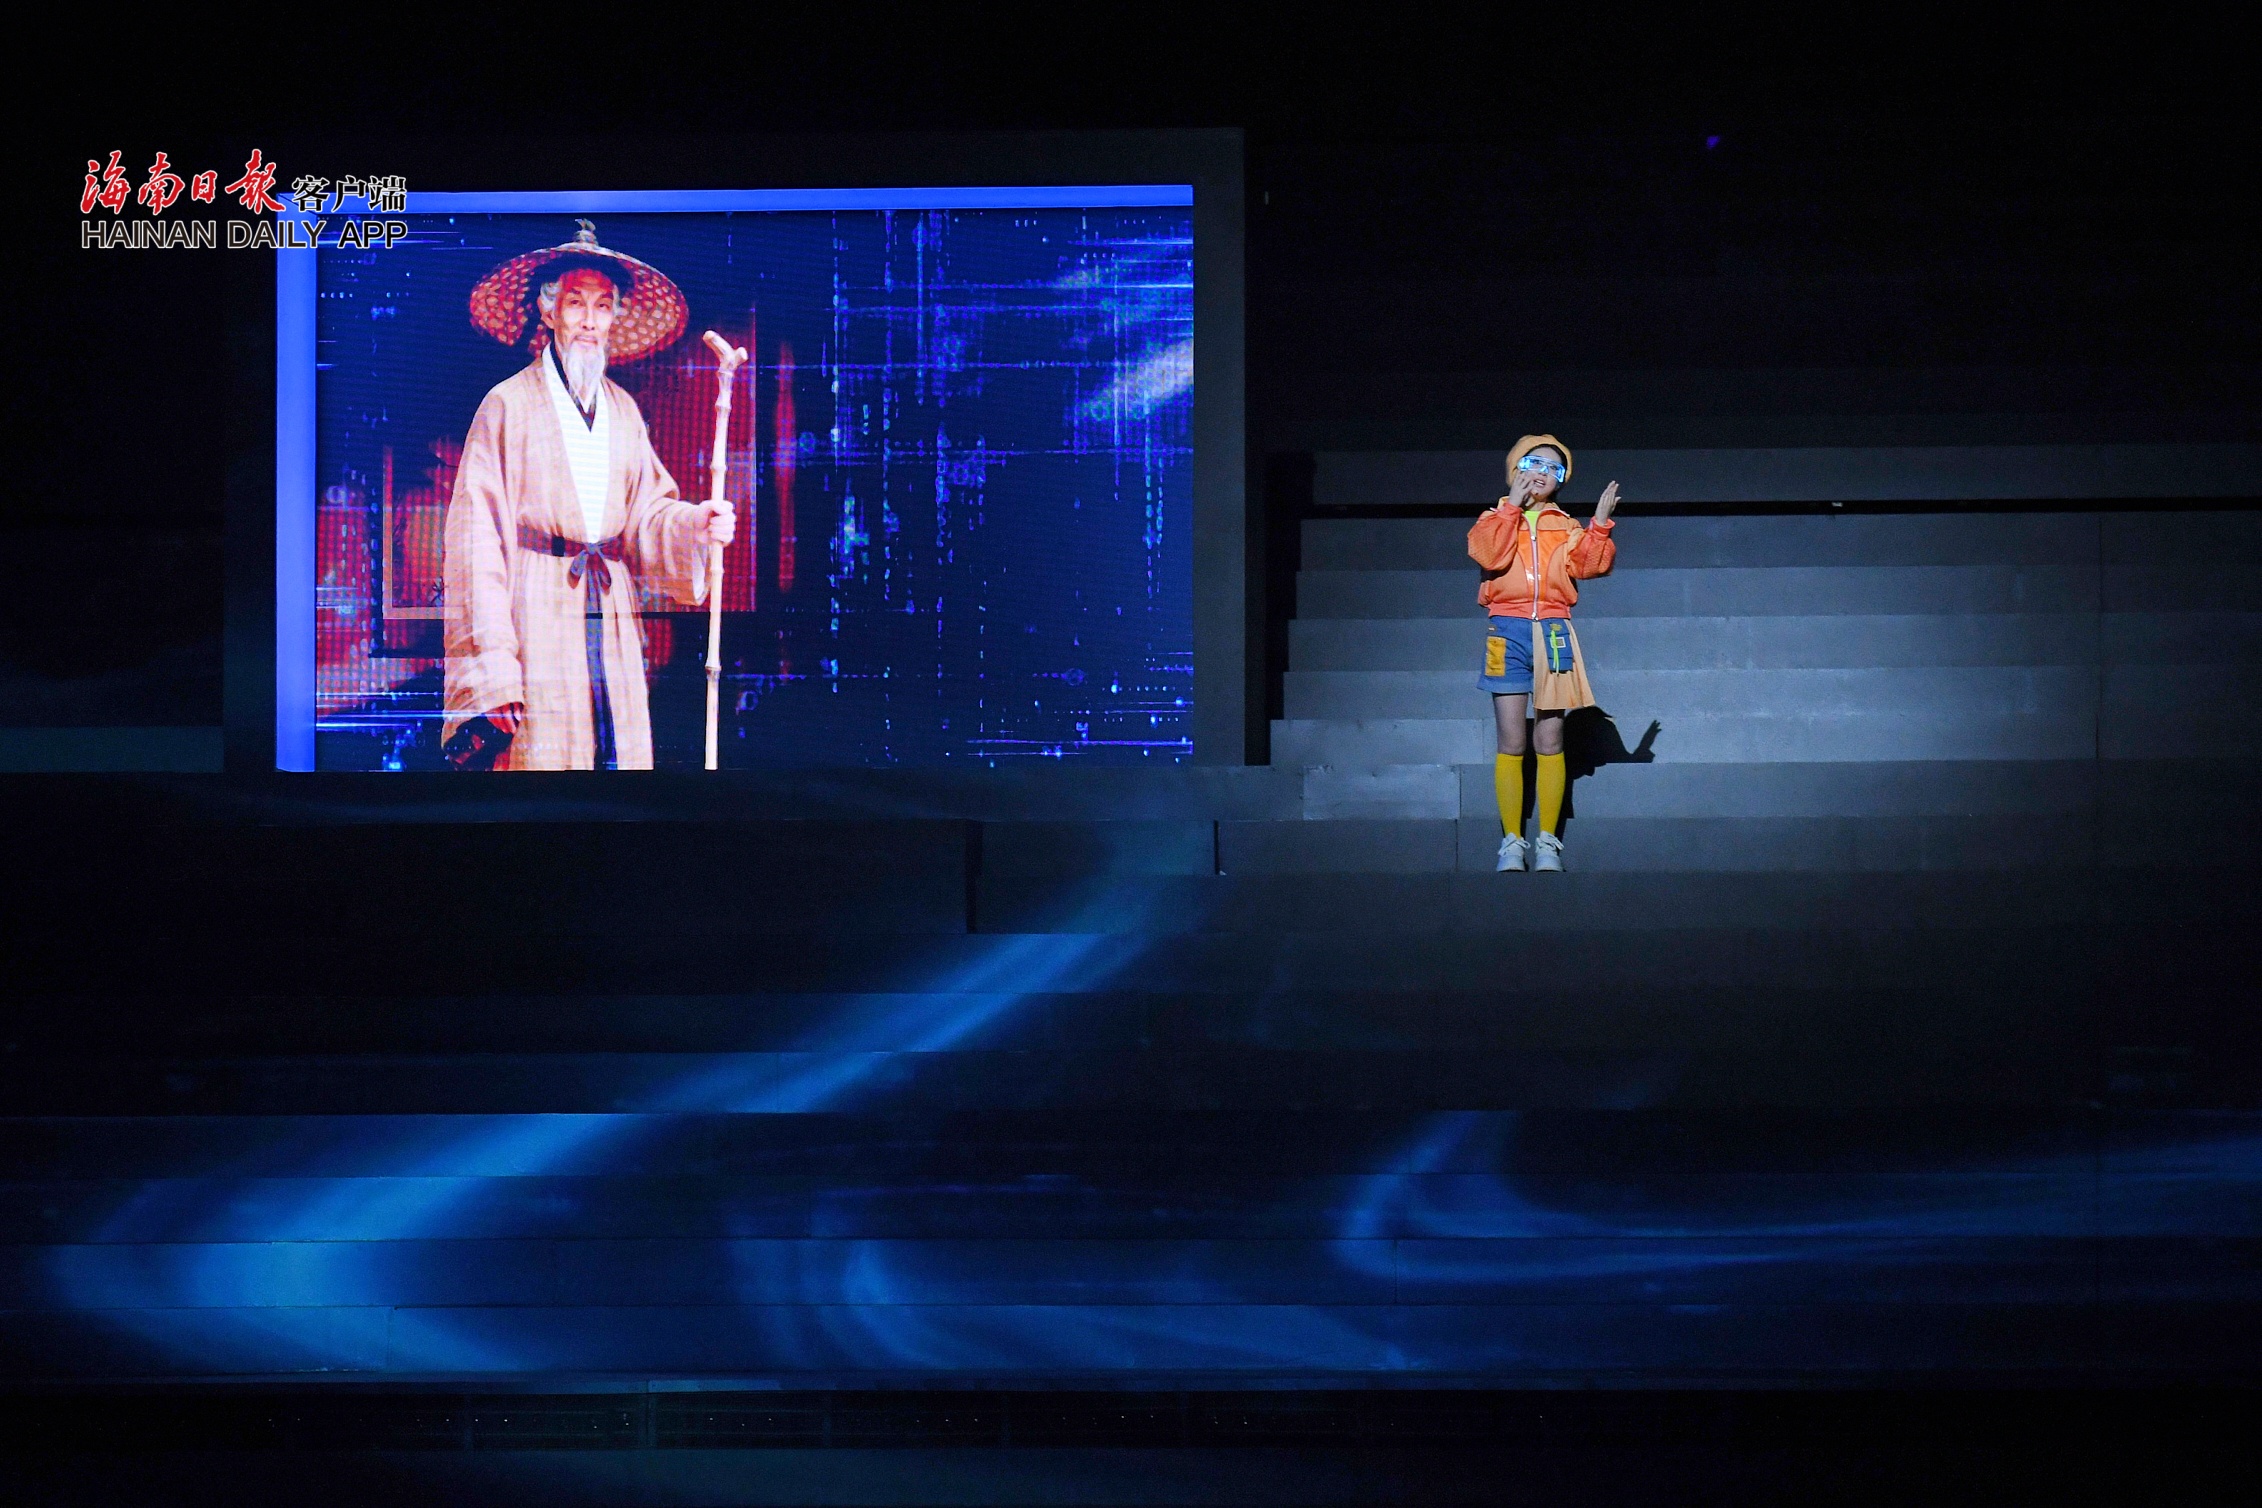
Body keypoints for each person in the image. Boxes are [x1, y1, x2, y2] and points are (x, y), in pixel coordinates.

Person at [440, 221, 735, 770]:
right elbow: (476, 543)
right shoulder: (506, 405)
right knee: (542, 758)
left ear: (615, 317)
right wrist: (495, 668)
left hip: (610, 607)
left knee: (616, 757)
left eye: (602, 307)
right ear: (548, 310)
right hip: (535, 608)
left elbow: (647, 514)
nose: (589, 321)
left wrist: (696, 524)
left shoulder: (623, 410)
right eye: (576, 303)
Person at [1468, 435, 1620, 871]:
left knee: (1550, 739)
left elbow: (1589, 566)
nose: (1542, 473)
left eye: (1553, 469)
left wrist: (1599, 526)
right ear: (1515, 468)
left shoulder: (1566, 526)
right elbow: (1488, 555)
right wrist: (1512, 509)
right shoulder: (1493, 518)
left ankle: (1548, 842)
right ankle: (1512, 842)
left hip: (1553, 630)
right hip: (1506, 631)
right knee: (1511, 740)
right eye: (1533, 463)